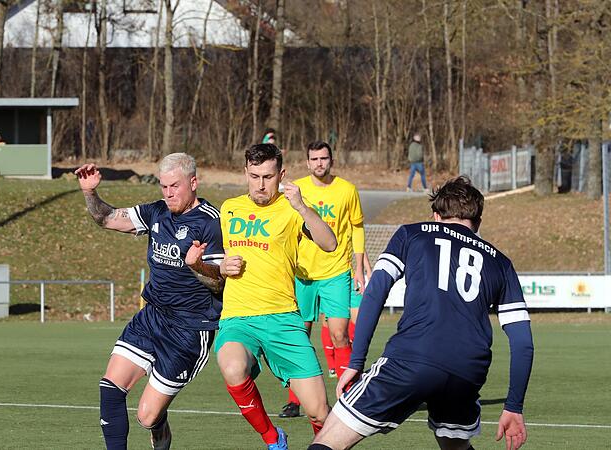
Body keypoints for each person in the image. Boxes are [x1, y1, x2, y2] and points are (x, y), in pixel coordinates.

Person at [308, 176, 534, 450]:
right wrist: (513, 406)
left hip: (412, 358)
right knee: (455, 447)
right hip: (467, 372)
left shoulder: (412, 233)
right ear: (478, 223)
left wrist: (356, 362)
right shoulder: (501, 263)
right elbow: (523, 343)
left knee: (327, 441)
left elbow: (376, 291)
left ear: (435, 215)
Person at [75, 153, 226, 450]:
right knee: (110, 388)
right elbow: (106, 218)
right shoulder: (156, 212)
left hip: (189, 329)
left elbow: (219, 284)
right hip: (152, 316)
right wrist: (90, 192)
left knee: (147, 416)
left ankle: (160, 429)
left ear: (193, 183)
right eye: (163, 186)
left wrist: (198, 266)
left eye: (175, 186)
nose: (168, 193)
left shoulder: (211, 223)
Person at [214, 143, 337, 450]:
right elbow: (219, 262)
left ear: (281, 175)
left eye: (268, 176)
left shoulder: (293, 208)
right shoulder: (229, 208)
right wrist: (222, 267)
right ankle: (274, 439)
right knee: (232, 366)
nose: (260, 184)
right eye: (254, 176)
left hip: (283, 318)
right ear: (245, 172)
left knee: (319, 411)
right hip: (239, 318)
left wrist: (302, 207)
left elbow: (330, 243)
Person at [278, 141, 371, 419]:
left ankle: (349, 394)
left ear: (331, 160)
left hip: (336, 272)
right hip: (303, 275)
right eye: (314, 159)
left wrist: (358, 266)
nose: (319, 163)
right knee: (299, 334)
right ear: (307, 162)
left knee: (340, 334)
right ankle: (295, 400)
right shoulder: (297, 190)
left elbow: (357, 227)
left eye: (324, 158)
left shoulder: (347, 190)